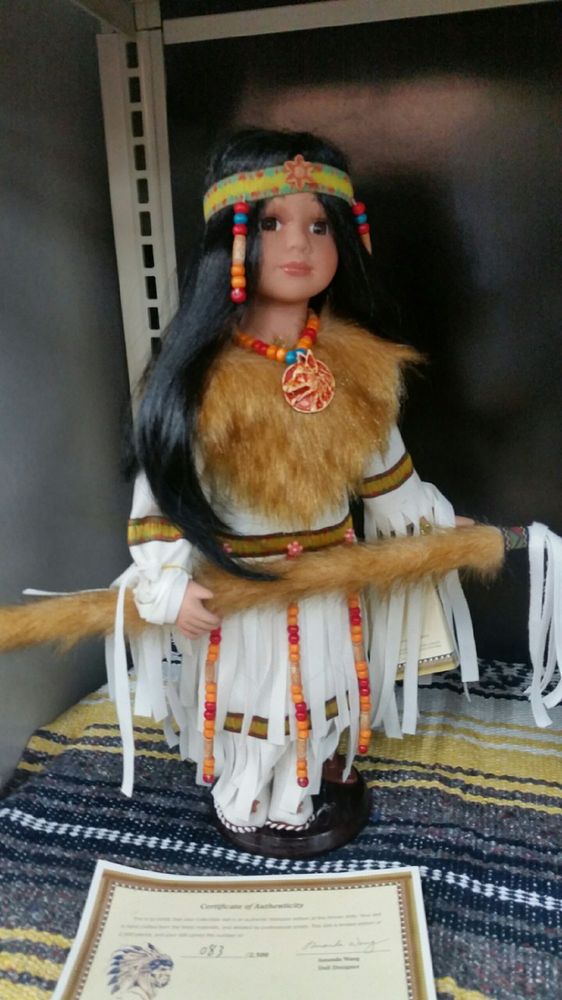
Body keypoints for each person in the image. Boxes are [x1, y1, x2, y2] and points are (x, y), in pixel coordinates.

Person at [105, 128, 530, 856]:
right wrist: (166, 584)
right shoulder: (199, 378)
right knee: (257, 695)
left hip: (332, 580)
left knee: (325, 688)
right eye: (271, 223)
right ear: (229, 241)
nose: (298, 243)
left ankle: (313, 775)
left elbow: (387, 476)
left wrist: (432, 526)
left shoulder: (358, 364)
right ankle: (249, 792)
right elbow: (162, 495)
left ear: (345, 238)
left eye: (318, 225)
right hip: (246, 587)